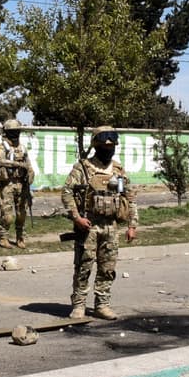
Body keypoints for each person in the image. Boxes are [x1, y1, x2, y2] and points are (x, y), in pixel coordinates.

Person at [61, 126, 138, 320]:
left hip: (111, 226)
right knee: (83, 266)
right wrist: (76, 217)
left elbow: (129, 198)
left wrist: (132, 225)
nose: (108, 149)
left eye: (111, 146)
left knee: (107, 268)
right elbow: (66, 193)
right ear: (96, 146)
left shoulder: (118, 170)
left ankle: (102, 305)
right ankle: (79, 305)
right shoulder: (83, 168)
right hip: (89, 226)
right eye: (104, 146)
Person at [0, 118, 36, 249]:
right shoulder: (2, 146)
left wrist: (30, 173)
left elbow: (28, 164)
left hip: (21, 184)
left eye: (17, 131)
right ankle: (3, 237)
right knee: (7, 215)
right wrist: (17, 164)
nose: (15, 134)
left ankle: (20, 237)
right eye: (12, 132)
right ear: (6, 132)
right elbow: (0, 161)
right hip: (8, 184)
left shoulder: (22, 148)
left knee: (21, 213)